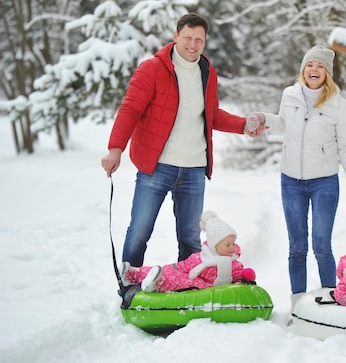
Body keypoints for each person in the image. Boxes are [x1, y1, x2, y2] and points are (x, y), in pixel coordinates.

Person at [101, 13, 260, 268]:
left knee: (190, 238)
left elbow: (212, 114)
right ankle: (129, 284)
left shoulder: (206, 71)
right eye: (188, 37)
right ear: (176, 36)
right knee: (140, 231)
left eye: (199, 39)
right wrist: (115, 149)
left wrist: (242, 125)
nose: (193, 44)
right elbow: (130, 109)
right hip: (157, 167)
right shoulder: (152, 69)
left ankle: (189, 287)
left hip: (194, 168)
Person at [245, 46, 346, 309]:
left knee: (322, 245)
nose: (314, 70)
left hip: (324, 182)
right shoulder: (290, 95)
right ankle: (298, 305)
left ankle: (331, 304)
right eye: (310, 65)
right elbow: (282, 124)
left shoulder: (339, 105)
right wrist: (263, 118)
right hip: (291, 181)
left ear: (327, 73)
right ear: (303, 69)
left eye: (320, 66)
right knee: (297, 246)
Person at [121, 211, 256, 292]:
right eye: (227, 244)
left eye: (232, 243)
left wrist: (246, 278)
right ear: (214, 245)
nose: (232, 247)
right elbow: (182, 267)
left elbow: (238, 276)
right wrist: (170, 269)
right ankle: (134, 274)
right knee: (177, 275)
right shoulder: (201, 258)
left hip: (205, 287)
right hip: (198, 280)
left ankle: (158, 283)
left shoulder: (234, 263)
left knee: (186, 282)